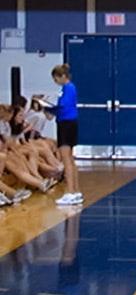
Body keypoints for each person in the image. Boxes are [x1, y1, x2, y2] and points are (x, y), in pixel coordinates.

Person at [40, 66, 81, 207]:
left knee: (66, 158)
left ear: (62, 76)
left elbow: (63, 106)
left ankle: (70, 191)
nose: (56, 81)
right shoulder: (68, 88)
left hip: (66, 124)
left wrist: (49, 107)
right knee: (70, 158)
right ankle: (75, 191)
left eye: (56, 78)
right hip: (69, 123)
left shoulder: (68, 88)